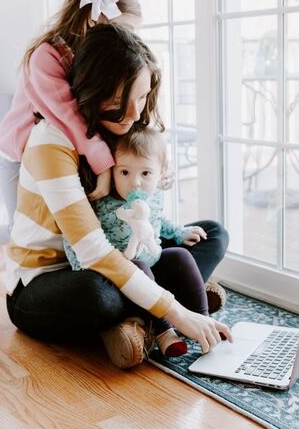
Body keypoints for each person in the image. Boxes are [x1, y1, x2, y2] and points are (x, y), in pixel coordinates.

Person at [5, 22, 233, 369]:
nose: (138, 113)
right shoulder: (51, 143)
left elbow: (136, 219)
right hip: (49, 280)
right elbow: (94, 252)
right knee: (102, 296)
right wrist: (179, 312)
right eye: (123, 101)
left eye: (142, 97)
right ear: (95, 92)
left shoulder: (115, 128)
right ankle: (159, 310)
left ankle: (139, 320)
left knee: (211, 233)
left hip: (121, 256)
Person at [0, 0, 142, 265]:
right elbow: (68, 115)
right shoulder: (46, 56)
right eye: (126, 31)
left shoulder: (93, 60)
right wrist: (103, 161)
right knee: (21, 225)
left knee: (63, 221)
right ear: (93, 20)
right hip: (16, 150)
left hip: (62, 149)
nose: (129, 42)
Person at [64, 127, 217, 358]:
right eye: (124, 172)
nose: (135, 182)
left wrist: (179, 233)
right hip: (121, 273)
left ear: (161, 172)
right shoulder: (102, 201)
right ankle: (164, 331)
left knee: (181, 255)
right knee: (140, 267)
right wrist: (80, 266)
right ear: (112, 170)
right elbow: (74, 237)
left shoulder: (154, 196)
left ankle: (203, 320)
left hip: (152, 257)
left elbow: (156, 221)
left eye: (146, 174)